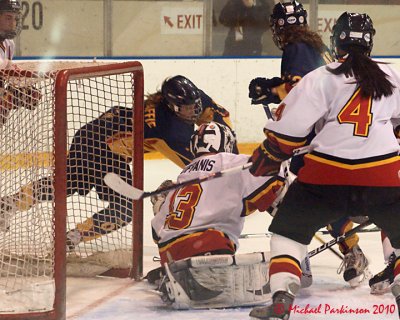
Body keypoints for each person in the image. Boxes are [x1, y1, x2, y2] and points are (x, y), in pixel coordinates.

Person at [247, 11, 400, 320]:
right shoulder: (394, 76)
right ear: (370, 43)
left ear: (336, 40)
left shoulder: (320, 77)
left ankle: (281, 298)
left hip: (325, 178)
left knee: (288, 234)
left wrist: (270, 154)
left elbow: (287, 134)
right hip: (383, 178)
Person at [0, 75, 237, 249]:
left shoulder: (190, 98)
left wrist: (231, 154)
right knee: (118, 206)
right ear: (172, 105)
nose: (193, 111)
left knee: (70, 185)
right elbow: (197, 166)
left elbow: (218, 116)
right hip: (100, 145)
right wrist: (231, 172)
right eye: (186, 109)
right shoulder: (168, 129)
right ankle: (68, 238)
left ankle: (14, 207)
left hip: (101, 135)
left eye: (193, 106)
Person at [248, 0, 369, 287]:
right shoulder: (315, 46)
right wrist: (275, 89)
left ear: (278, 27)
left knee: (297, 198)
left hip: (317, 141)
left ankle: (298, 259)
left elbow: (299, 88)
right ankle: (352, 251)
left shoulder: (295, 48)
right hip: (334, 136)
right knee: (321, 198)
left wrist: (271, 89)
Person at [151, 121, 286, 309]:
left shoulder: (183, 176)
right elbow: (273, 175)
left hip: (170, 255)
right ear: (227, 142)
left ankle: (179, 275)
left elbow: (156, 232)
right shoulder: (229, 162)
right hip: (208, 247)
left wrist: (160, 205)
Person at [0, 0, 39, 125]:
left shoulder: (9, 44)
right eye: (8, 18)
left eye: (15, 18)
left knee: (32, 95)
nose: (13, 23)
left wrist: (16, 92)